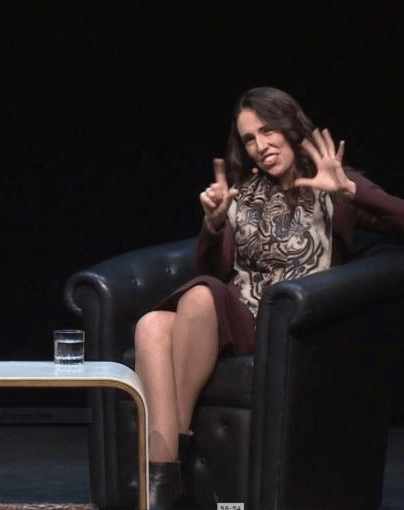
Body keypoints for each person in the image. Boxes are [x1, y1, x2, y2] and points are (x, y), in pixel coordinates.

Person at [133, 86, 404, 509]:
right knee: (151, 325)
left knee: (201, 297)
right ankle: (161, 484)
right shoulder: (243, 192)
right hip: (241, 317)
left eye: (267, 131)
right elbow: (213, 270)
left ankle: (176, 451)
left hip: (292, 326)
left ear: (290, 126)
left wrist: (351, 189)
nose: (260, 146)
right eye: (249, 139)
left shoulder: (334, 183)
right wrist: (212, 225)